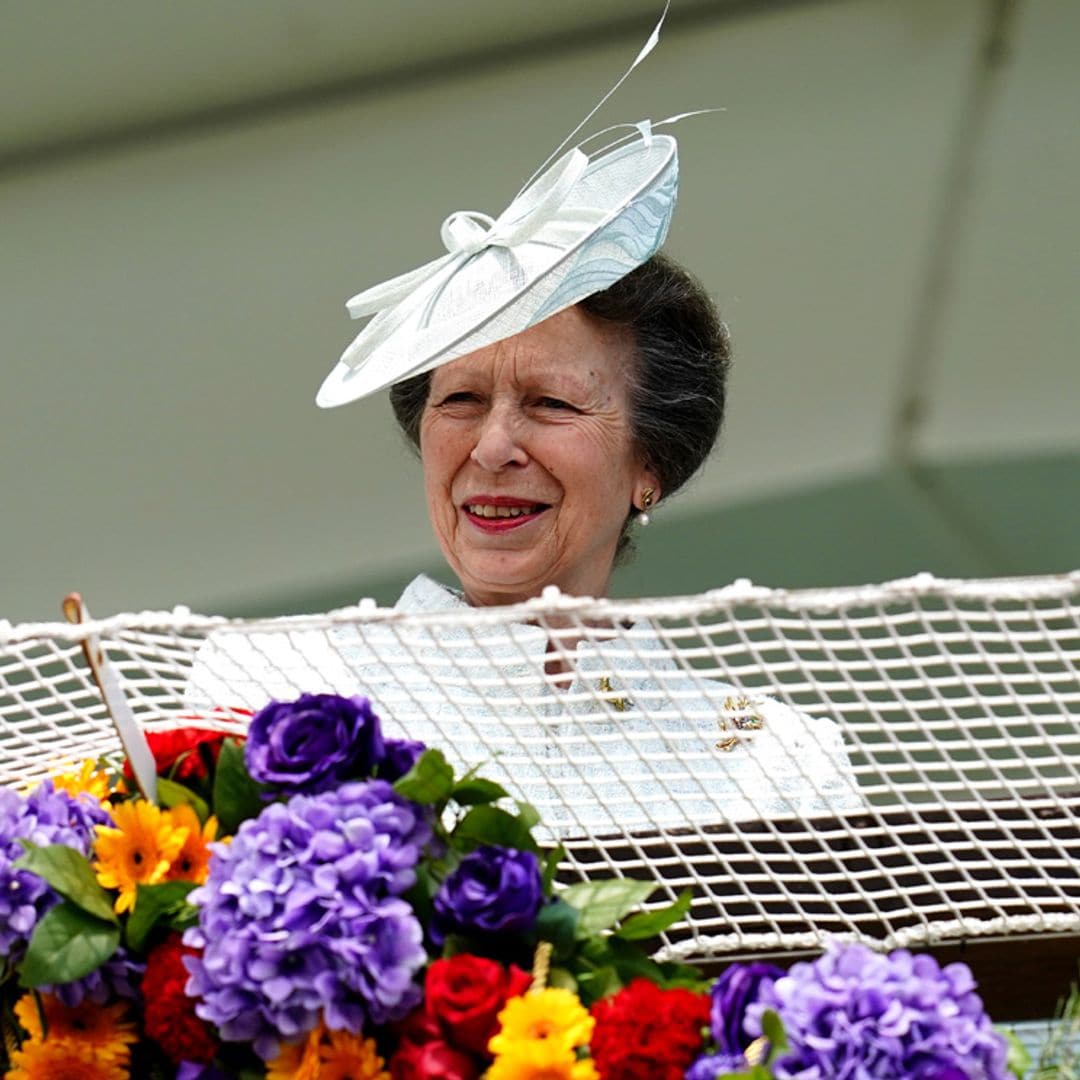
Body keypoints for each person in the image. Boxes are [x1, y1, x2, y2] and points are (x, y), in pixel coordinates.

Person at [188, 11, 861, 834]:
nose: (495, 448)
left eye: (551, 405)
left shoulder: (769, 764)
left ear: (653, 462)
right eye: (461, 402)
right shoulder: (272, 687)